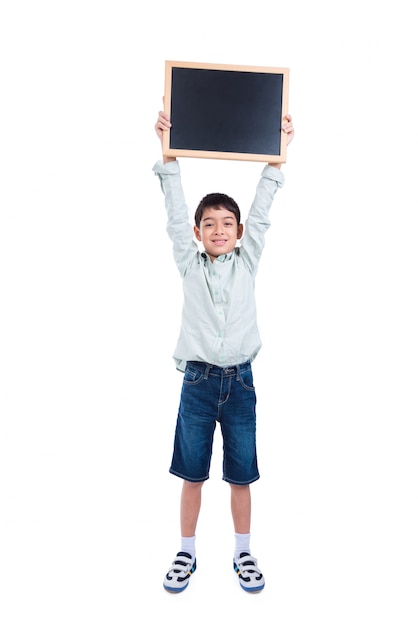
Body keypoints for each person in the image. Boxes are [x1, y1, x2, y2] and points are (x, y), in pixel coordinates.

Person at [153, 110, 294, 593]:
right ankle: (186, 552)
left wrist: (277, 162)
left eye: (226, 223)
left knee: (241, 476)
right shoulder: (190, 266)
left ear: (236, 232)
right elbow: (174, 215)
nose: (218, 229)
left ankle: (243, 551)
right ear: (198, 233)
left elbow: (260, 214)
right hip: (196, 382)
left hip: (240, 384)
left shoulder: (248, 260)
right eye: (209, 224)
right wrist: (168, 155)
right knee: (191, 475)